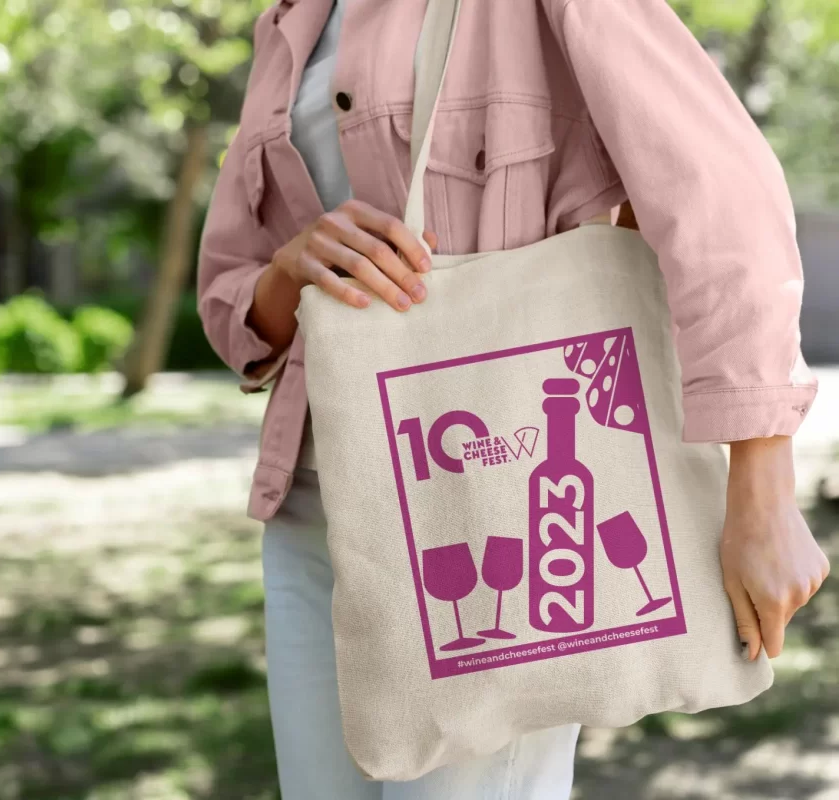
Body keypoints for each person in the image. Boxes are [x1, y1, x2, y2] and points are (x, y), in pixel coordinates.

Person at [196, 0, 831, 796]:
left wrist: (762, 487)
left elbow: (719, 195)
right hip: (310, 522)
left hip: (492, 509)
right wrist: (292, 269)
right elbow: (231, 310)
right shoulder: (288, 21)